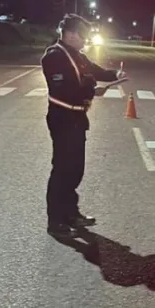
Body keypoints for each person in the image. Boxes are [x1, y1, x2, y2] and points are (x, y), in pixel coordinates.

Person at [41, 14, 125, 238]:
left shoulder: (77, 55)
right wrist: (92, 90)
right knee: (62, 170)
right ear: (70, 34)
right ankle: (55, 221)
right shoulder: (54, 57)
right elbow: (63, 89)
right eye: (83, 35)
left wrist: (114, 74)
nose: (86, 40)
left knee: (76, 170)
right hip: (62, 118)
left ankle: (71, 213)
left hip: (78, 118)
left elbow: (93, 70)